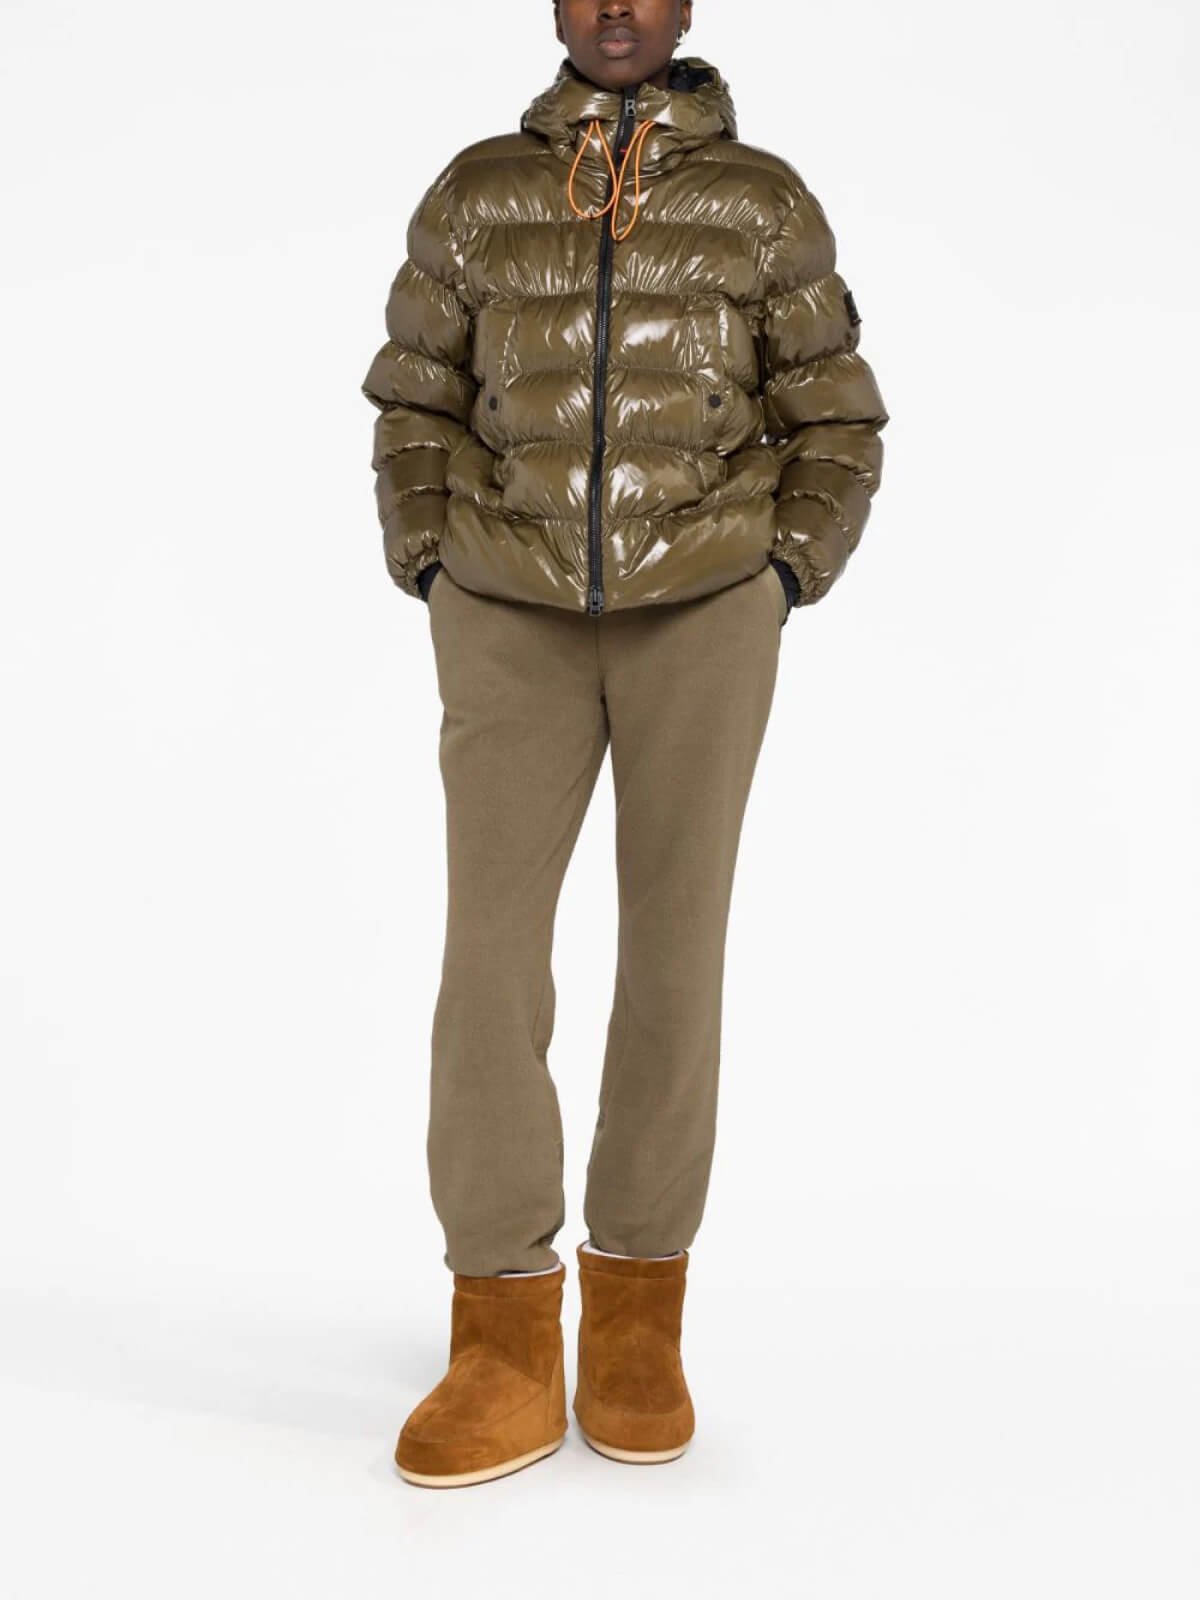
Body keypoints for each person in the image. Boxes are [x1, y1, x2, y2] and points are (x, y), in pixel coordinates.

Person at [360, 0, 888, 1488]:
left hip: (705, 611)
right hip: (507, 608)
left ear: (685, 7)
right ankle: (503, 1332)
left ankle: (639, 1320)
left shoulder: (763, 201)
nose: (615, 8)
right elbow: (414, 395)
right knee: (489, 959)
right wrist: (431, 557)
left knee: (674, 950)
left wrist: (781, 571)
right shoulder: (479, 190)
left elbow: (836, 416)